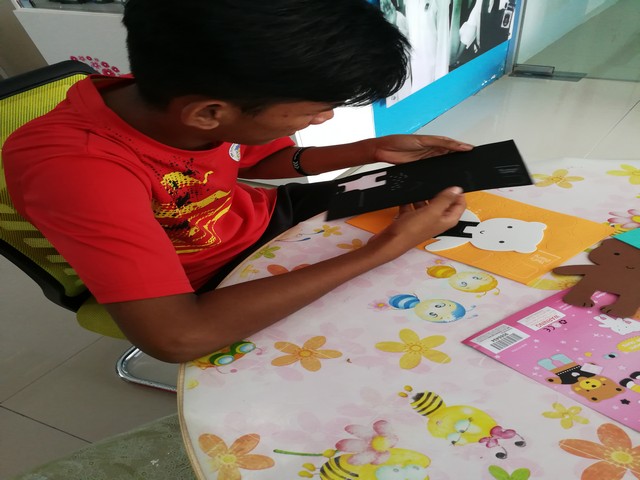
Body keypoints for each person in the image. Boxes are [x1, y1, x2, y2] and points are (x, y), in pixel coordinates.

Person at [4, 0, 470, 363]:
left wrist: (367, 151)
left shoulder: (183, 94)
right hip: (211, 285)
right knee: (402, 328)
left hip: (266, 216)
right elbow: (178, 336)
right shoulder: (80, 172)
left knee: (449, 209)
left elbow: (256, 158)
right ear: (208, 114)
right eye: (315, 110)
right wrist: (383, 249)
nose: (324, 119)